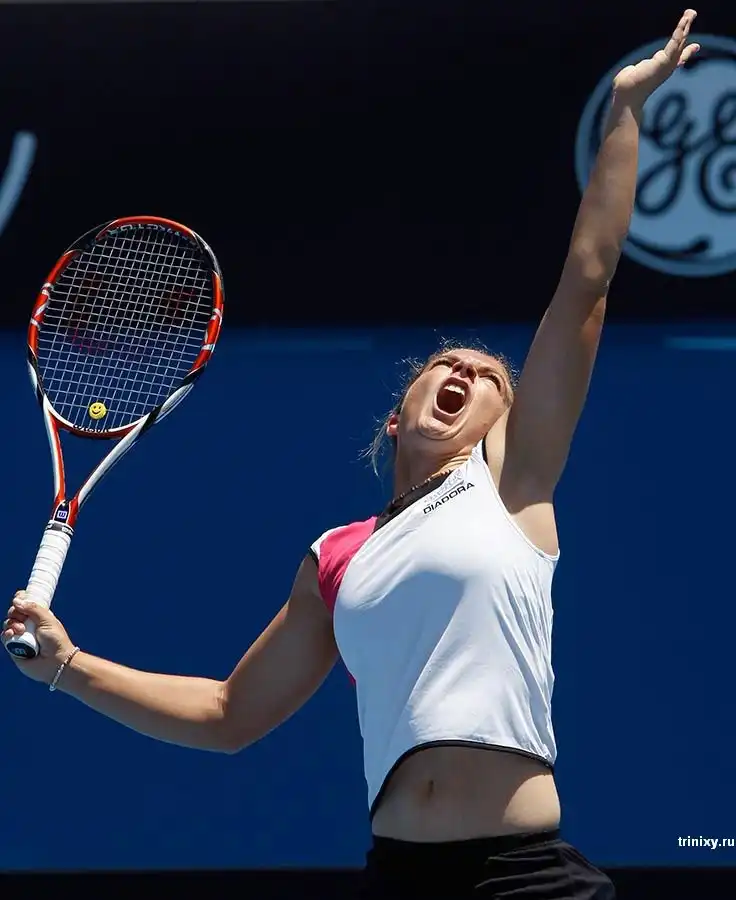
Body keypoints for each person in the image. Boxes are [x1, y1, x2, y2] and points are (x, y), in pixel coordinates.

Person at [3, 11, 699, 898]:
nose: (465, 371)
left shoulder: (512, 486)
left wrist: (625, 112)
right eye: (447, 364)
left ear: (504, 424)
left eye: (490, 377)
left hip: (528, 876)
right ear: (395, 419)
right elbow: (227, 713)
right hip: (399, 876)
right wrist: (68, 668)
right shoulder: (337, 558)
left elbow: (588, 278)